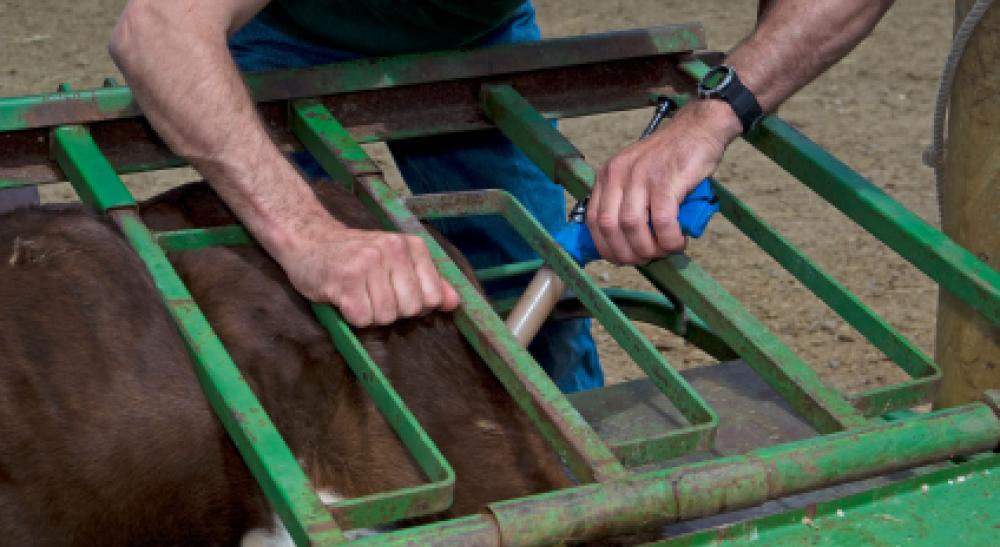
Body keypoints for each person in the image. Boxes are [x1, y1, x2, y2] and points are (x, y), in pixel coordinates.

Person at [108, 0, 896, 393]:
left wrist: (711, 116)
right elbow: (158, 29)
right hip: (288, 29)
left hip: (476, 29)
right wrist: (307, 234)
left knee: (540, 299)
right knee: (291, 332)